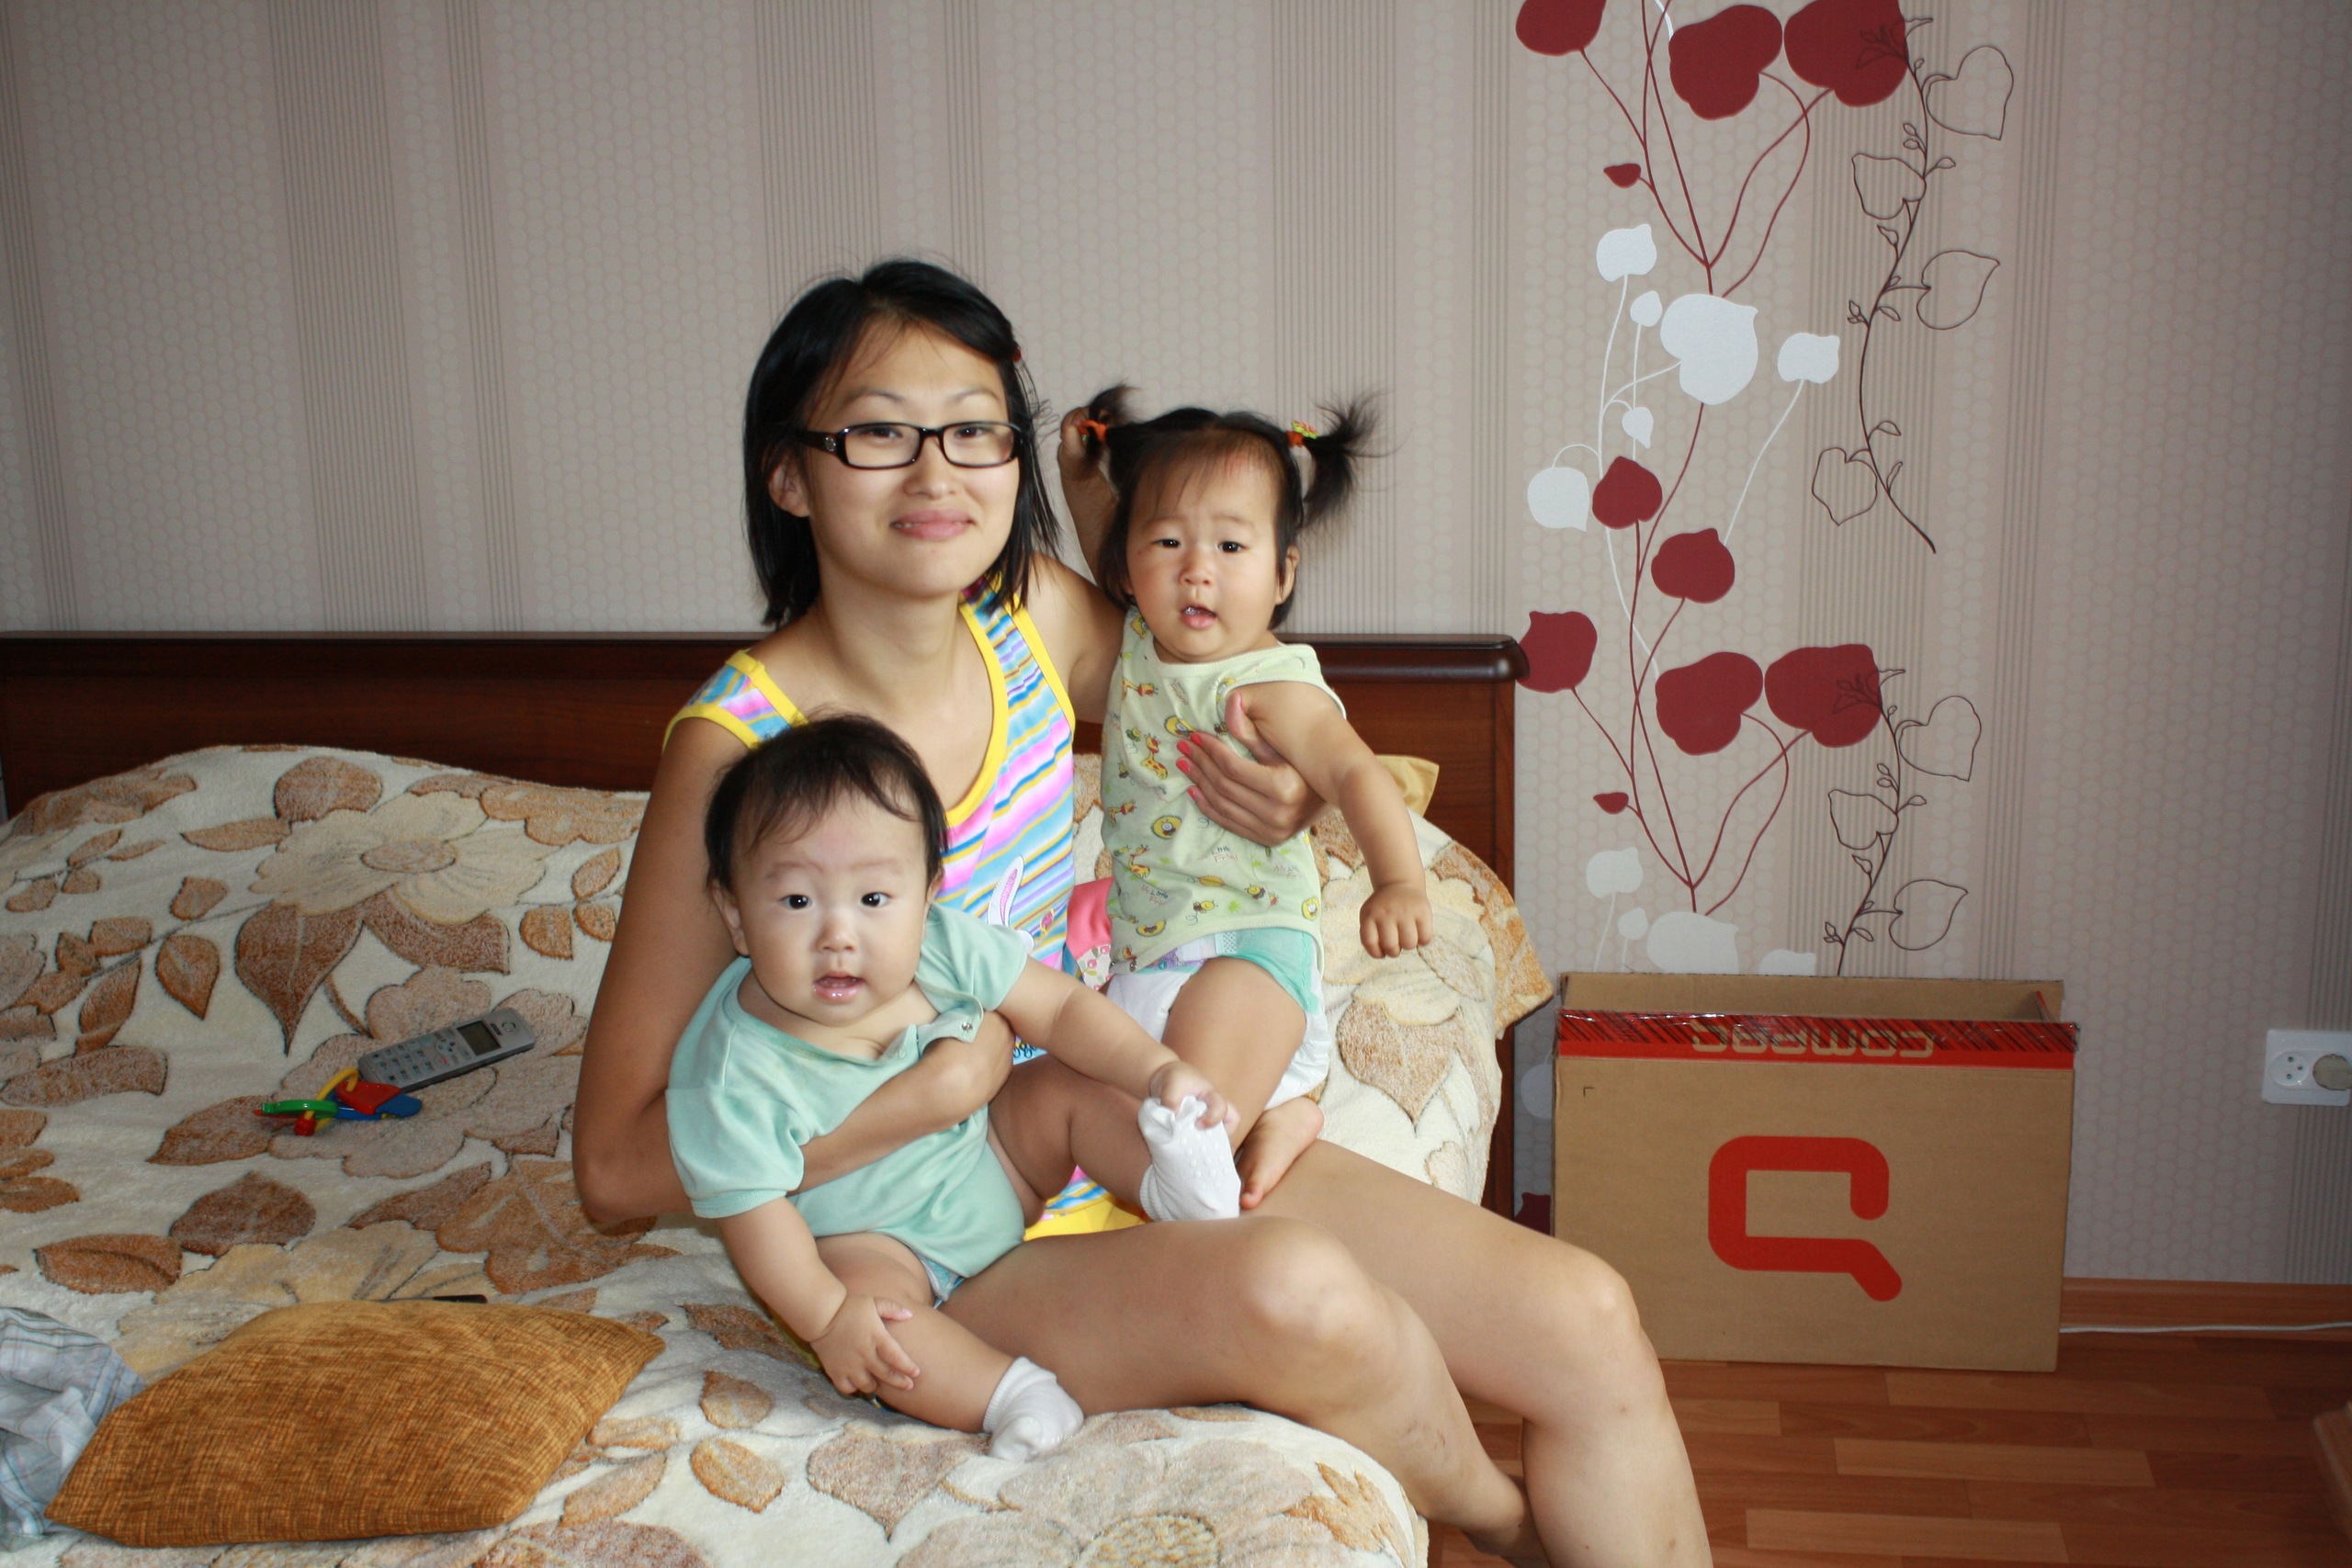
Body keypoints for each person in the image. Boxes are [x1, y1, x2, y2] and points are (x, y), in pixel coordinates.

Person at [575, 257, 1710, 1565]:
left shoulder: (1032, 621)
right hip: (927, 1242)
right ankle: (1509, 1527)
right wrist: (928, 1098)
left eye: (974, 430)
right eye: (879, 432)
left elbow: (1208, 675)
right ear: (790, 473)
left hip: (1118, 1114)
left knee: (1587, 1315)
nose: (937, 473)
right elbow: (615, 1168)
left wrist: (1290, 795)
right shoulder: (738, 749)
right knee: (1296, 1292)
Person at [671, 715, 1243, 1461]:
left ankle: (1175, 1186)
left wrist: (1158, 1071)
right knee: (871, 1318)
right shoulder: (730, 1067)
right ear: (736, 915)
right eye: (798, 901)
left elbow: (1062, 1009)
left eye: (874, 898)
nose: (839, 934)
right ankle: (1009, 1392)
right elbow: (755, 1216)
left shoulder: (941, 944)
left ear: (926, 893)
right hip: (878, 1242)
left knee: (1062, 1085)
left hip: (996, 1163)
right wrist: (825, 1318)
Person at [1068, 386, 1428, 1176]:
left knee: (1178, 1152)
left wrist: (1399, 880)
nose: (1196, 570)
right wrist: (1080, 473)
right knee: (1094, 1127)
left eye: (1231, 547)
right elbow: (1111, 538)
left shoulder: (1271, 683)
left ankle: (1250, 1128)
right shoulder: (1138, 644)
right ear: (1128, 565)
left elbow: (1356, 772)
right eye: (1168, 542)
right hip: (1148, 952)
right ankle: (1282, 1113)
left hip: (1245, 949)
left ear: (1282, 573)